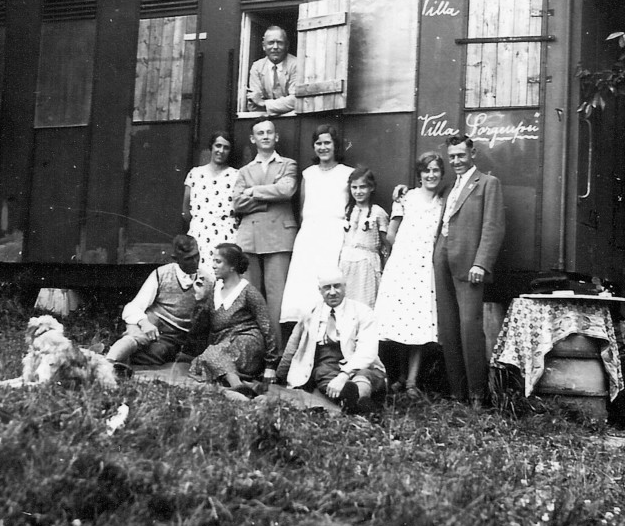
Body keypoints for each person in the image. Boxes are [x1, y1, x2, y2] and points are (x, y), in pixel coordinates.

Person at [433, 134, 505, 409]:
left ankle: (477, 394)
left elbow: (493, 226)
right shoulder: (449, 187)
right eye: (452, 157)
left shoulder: (487, 183)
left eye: (461, 155)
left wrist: (481, 263)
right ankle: (458, 393)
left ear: (472, 153)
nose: (456, 161)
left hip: (469, 262)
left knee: (470, 327)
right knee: (448, 326)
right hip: (442, 257)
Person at [376, 152, 447, 398]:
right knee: (400, 322)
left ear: (441, 174)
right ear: (419, 174)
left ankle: (412, 381)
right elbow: (391, 233)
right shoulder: (406, 198)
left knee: (418, 325)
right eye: (427, 170)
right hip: (403, 266)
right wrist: (405, 253)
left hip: (426, 268)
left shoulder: (443, 201)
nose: (431, 175)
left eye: (436, 170)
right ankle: (400, 376)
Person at [275, 266, 387, 414]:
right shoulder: (310, 313)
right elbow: (293, 345)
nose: (333, 292)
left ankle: (357, 399)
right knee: (324, 375)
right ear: (319, 290)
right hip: (327, 366)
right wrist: (279, 376)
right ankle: (357, 405)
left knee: (363, 376)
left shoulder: (362, 312)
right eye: (327, 287)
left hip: (360, 363)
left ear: (345, 286)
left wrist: (344, 375)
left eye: (337, 286)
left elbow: (367, 351)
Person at [279, 125, 352, 335]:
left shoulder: (347, 173)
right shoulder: (308, 174)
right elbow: (303, 209)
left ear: (335, 145)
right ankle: (303, 336)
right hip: (310, 235)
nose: (323, 147)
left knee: (329, 281)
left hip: (334, 234)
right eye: (318, 143)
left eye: (327, 142)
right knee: (305, 285)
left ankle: (329, 336)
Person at [232, 117, 298, 349]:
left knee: (276, 297)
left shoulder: (288, 164)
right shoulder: (244, 171)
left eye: (269, 132)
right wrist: (269, 198)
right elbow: (237, 203)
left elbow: (286, 190)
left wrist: (253, 192)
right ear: (253, 139)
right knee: (249, 296)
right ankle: (251, 350)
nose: (266, 136)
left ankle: (275, 352)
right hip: (249, 238)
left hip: (279, 237)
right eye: (260, 133)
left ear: (276, 136)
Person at [105, 234, 213, 374]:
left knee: (158, 353)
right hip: (151, 326)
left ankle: (122, 359)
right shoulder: (161, 274)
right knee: (137, 337)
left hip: (174, 337)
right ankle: (107, 364)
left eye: (196, 256)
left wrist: (201, 299)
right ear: (176, 259)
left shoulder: (207, 281)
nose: (195, 262)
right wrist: (144, 323)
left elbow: (207, 321)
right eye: (188, 259)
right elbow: (132, 307)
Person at [188, 243, 279, 397]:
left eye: (218, 261)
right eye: (213, 261)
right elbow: (199, 326)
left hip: (247, 342)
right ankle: (244, 386)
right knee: (205, 358)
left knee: (214, 354)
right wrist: (200, 299)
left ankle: (236, 385)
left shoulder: (248, 292)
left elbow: (267, 326)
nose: (213, 266)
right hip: (223, 345)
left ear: (232, 266)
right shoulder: (214, 291)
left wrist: (270, 365)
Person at [182, 131, 239, 264]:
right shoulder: (195, 174)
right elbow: (185, 209)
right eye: (218, 146)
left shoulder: (236, 175)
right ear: (211, 147)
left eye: (226, 147)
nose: (221, 151)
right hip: (199, 234)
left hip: (226, 235)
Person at [338, 167, 389, 309]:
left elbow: (386, 244)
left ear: (371, 188)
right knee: (346, 304)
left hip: (367, 265)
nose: (358, 191)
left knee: (365, 303)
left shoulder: (378, 212)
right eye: (354, 187)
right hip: (346, 263)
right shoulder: (347, 211)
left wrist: (385, 267)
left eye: (363, 187)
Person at [246, 25, 297, 115]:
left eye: (280, 43)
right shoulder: (257, 67)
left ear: (287, 45)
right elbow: (254, 104)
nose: (275, 47)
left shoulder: (296, 65)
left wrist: (264, 103)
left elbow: (296, 100)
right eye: (271, 43)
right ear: (264, 46)